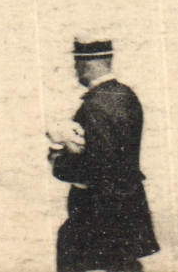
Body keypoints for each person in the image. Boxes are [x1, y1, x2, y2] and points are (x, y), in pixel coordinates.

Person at [47, 37, 159, 272]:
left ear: (89, 65)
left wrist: (59, 156)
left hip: (98, 206)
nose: (76, 70)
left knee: (70, 252)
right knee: (123, 263)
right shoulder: (127, 95)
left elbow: (98, 163)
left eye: (77, 64)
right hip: (129, 200)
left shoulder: (94, 106)